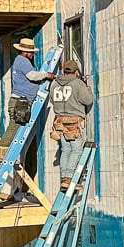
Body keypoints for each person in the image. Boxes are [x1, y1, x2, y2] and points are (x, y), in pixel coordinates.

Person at [0, 38, 54, 163]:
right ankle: (0, 153)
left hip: (21, 101)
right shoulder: (23, 61)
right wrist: (46, 75)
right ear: (25, 52)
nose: (32, 55)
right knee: (14, 127)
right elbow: (32, 76)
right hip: (21, 102)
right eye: (31, 53)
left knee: (17, 128)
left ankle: (9, 154)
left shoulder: (19, 61)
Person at [48, 60, 94, 191]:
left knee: (65, 150)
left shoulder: (54, 84)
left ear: (64, 71)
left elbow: (52, 100)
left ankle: (64, 179)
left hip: (60, 122)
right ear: (75, 72)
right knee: (76, 149)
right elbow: (88, 100)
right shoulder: (78, 83)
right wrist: (88, 91)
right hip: (74, 122)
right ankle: (68, 178)